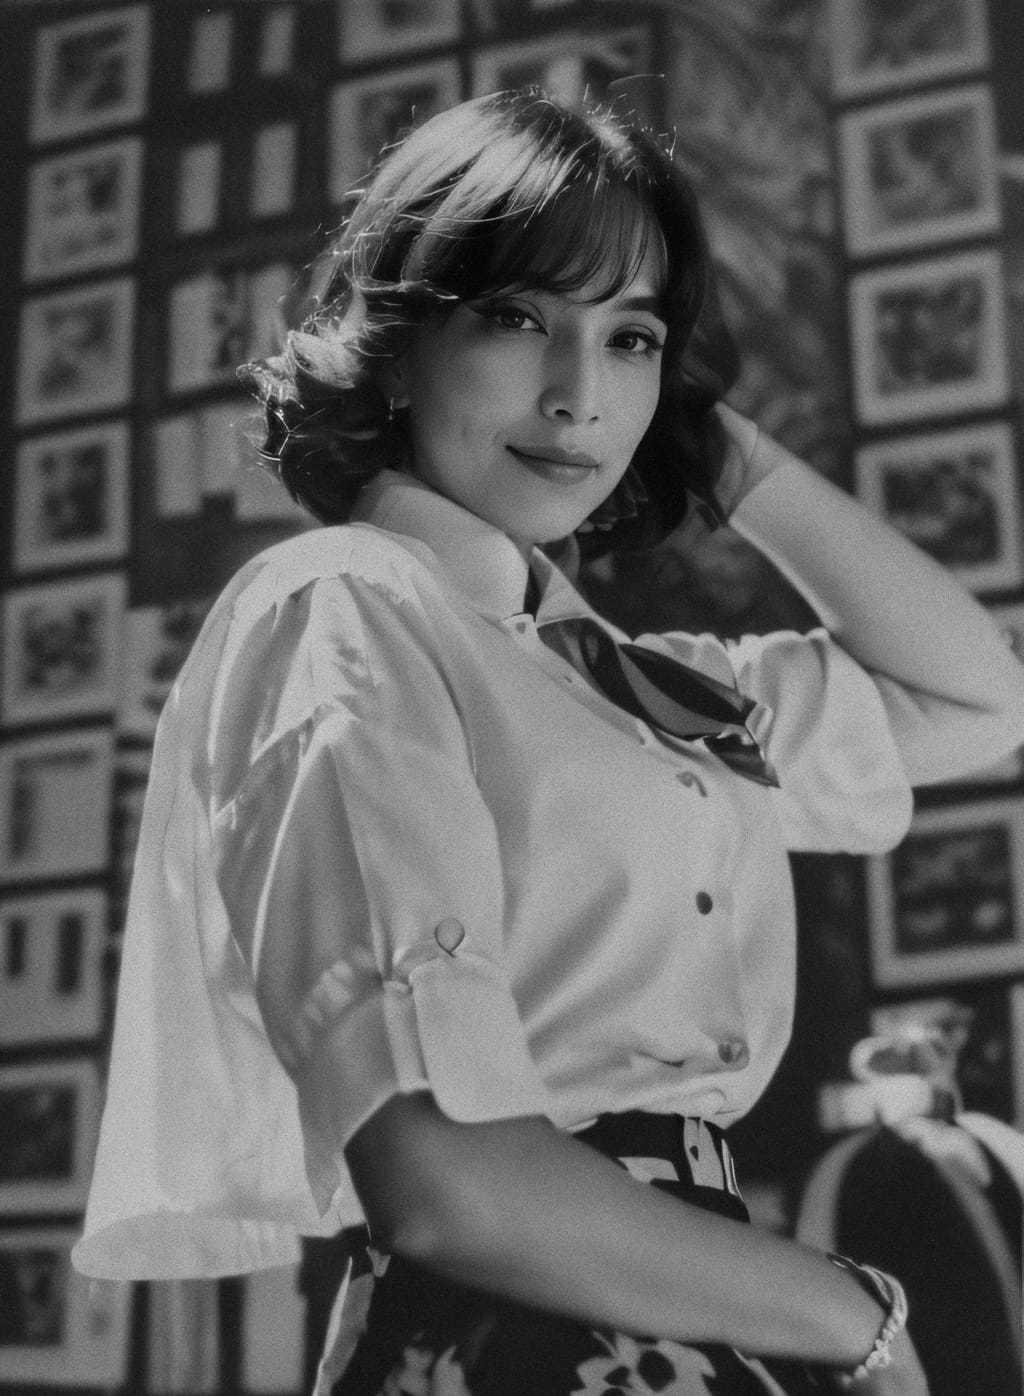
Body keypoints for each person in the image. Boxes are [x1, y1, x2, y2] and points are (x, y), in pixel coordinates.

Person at [72, 90, 1024, 1393]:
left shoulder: (625, 686)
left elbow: (977, 698)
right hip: (511, 1335)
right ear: (396, 350)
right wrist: (860, 1315)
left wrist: (718, 453)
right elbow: (446, 1183)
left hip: (703, 1311)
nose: (578, 399)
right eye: (517, 319)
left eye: (630, 338)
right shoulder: (350, 609)